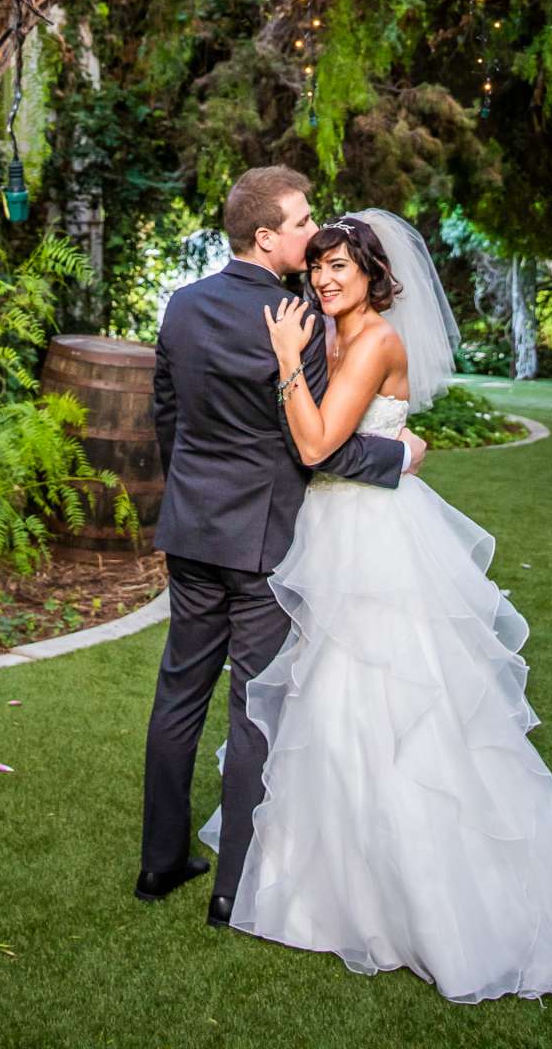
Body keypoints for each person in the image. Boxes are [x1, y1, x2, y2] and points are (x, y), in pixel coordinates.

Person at [207, 209, 552, 1005]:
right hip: (333, 523)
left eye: (340, 268)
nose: (323, 278)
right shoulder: (332, 332)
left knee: (392, 696)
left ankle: (429, 896)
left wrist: (289, 361)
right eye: (317, 266)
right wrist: (389, 440)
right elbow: (331, 442)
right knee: (329, 697)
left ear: (375, 277)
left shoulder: (378, 339)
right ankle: (325, 884)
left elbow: (316, 445)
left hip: (373, 541)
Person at [138, 168, 426, 926]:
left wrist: (193, 496)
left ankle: (160, 863)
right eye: (301, 223)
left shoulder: (183, 306)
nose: (312, 233)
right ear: (266, 236)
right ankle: (234, 887)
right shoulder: (300, 318)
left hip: (192, 530)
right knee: (255, 710)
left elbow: (167, 419)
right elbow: (320, 450)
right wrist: (399, 458)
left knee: (178, 695)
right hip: (265, 541)